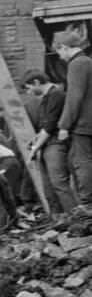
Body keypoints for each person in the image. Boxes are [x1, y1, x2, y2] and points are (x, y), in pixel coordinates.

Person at [23, 70, 77, 214]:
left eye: (28, 88)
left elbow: (49, 126)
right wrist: (35, 140)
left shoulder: (56, 95)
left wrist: (34, 149)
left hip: (55, 145)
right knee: (48, 187)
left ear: (36, 82)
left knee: (58, 183)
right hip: (48, 144)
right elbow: (45, 125)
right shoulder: (47, 98)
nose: (28, 93)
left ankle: (78, 219)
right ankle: (59, 220)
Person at [55, 30, 92, 208]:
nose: (60, 57)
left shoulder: (77, 64)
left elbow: (74, 96)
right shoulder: (88, 62)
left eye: (59, 52)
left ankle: (87, 203)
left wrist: (64, 125)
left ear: (64, 47)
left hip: (83, 124)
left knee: (81, 162)